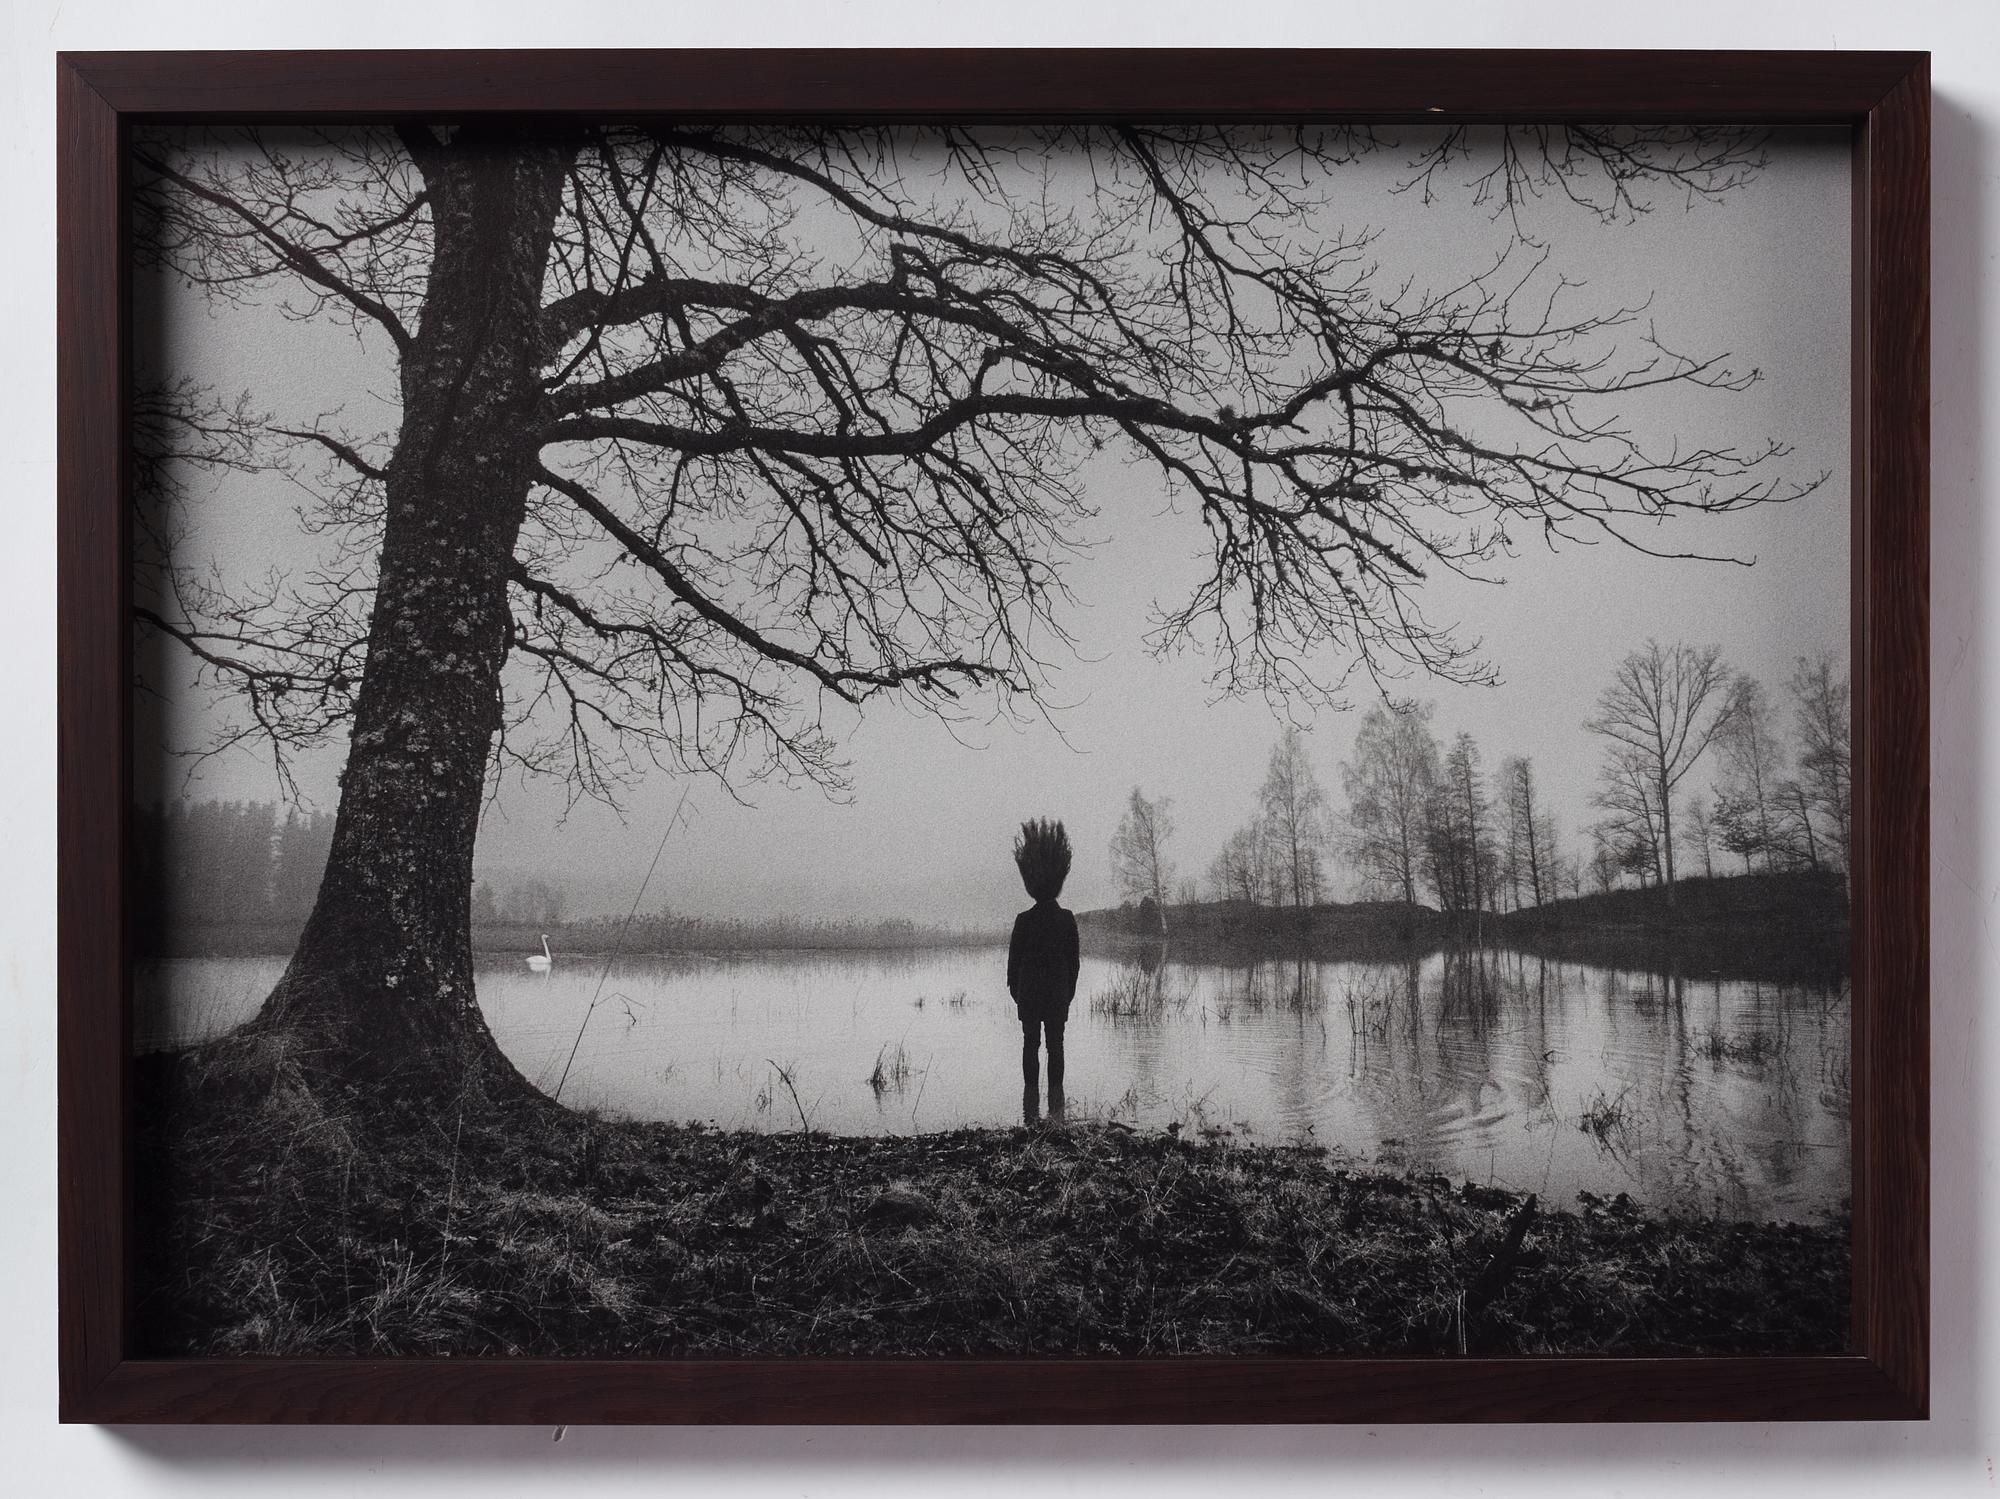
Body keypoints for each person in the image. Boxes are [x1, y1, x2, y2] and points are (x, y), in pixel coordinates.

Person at [1007, 818, 1080, 1123]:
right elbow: (1074, 963)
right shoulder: (1066, 919)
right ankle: (1056, 1112)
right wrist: (1067, 994)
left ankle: (1030, 1113)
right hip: (1056, 993)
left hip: (1030, 993)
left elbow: (1012, 965)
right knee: (1056, 1044)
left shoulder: (1024, 920)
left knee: (1030, 1044)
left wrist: (1018, 993)